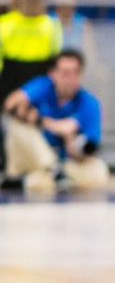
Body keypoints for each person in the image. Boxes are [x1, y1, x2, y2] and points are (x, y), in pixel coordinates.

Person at [3, 49, 108, 194]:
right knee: (18, 126)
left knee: (99, 170)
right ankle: (53, 171)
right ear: (53, 74)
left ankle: (28, 181)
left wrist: (70, 139)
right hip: (34, 157)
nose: (70, 79)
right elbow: (10, 104)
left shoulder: (90, 104)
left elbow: (86, 152)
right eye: (65, 73)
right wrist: (45, 122)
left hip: (64, 162)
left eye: (75, 73)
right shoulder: (43, 86)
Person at [0, 0, 63, 97]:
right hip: (40, 92)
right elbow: (55, 60)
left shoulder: (4, 24)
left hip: (9, 90)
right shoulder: (51, 25)